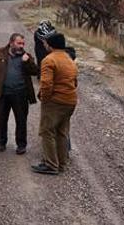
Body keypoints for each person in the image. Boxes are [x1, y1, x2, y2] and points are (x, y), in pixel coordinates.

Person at [0, 33, 39, 154]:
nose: (21, 46)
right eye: (19, 43)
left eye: (23, 43)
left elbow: (35, 72)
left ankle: (21, 145)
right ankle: (1, 142)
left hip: (20, 93)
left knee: (21, 119)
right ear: (11, 42)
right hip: (2, 93)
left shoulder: (26, 56)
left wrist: (27, 62)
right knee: (1, 118)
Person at [32, 33, 79, 175]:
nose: (44, 45)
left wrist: (45, 99)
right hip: (70, 100)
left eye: (45, 43)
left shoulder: (49, 60)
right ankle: (61, 163)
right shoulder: (69, 59)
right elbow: (75, 81)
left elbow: (46, 83)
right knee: (62, 132)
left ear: (50, 45)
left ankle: (51, 164)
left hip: (55, 101)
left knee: (47, 131)